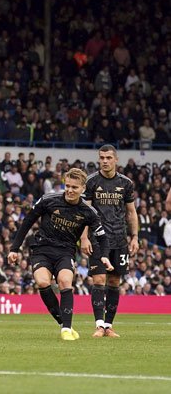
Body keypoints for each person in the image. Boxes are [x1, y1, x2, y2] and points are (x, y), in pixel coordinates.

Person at [7, 168, 112, 340]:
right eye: (67, 186)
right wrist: (14, 248)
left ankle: (66, 329)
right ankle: (63, 322)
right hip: (42, 249)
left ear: (83, 189)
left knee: (64, 281)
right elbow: (28, 221)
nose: (70, 190)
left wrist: (105, 255)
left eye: (75, 187)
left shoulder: (88, 212)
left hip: (65, 252)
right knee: (42, 282)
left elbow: (102, 237)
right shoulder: (49, 200)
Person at [81, 144, 138, 338]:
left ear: (116, 159)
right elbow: (84, 213)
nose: (104, 161)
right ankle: (98, 325)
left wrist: (135, 237)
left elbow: (131, 212)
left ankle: (108, 325)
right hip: (97, 240)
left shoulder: (126, 183)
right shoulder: (91, 182)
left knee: (114, 281)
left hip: (120, 240)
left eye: (108, 157)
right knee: (98, 280)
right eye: (102, 157)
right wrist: (83, 238)